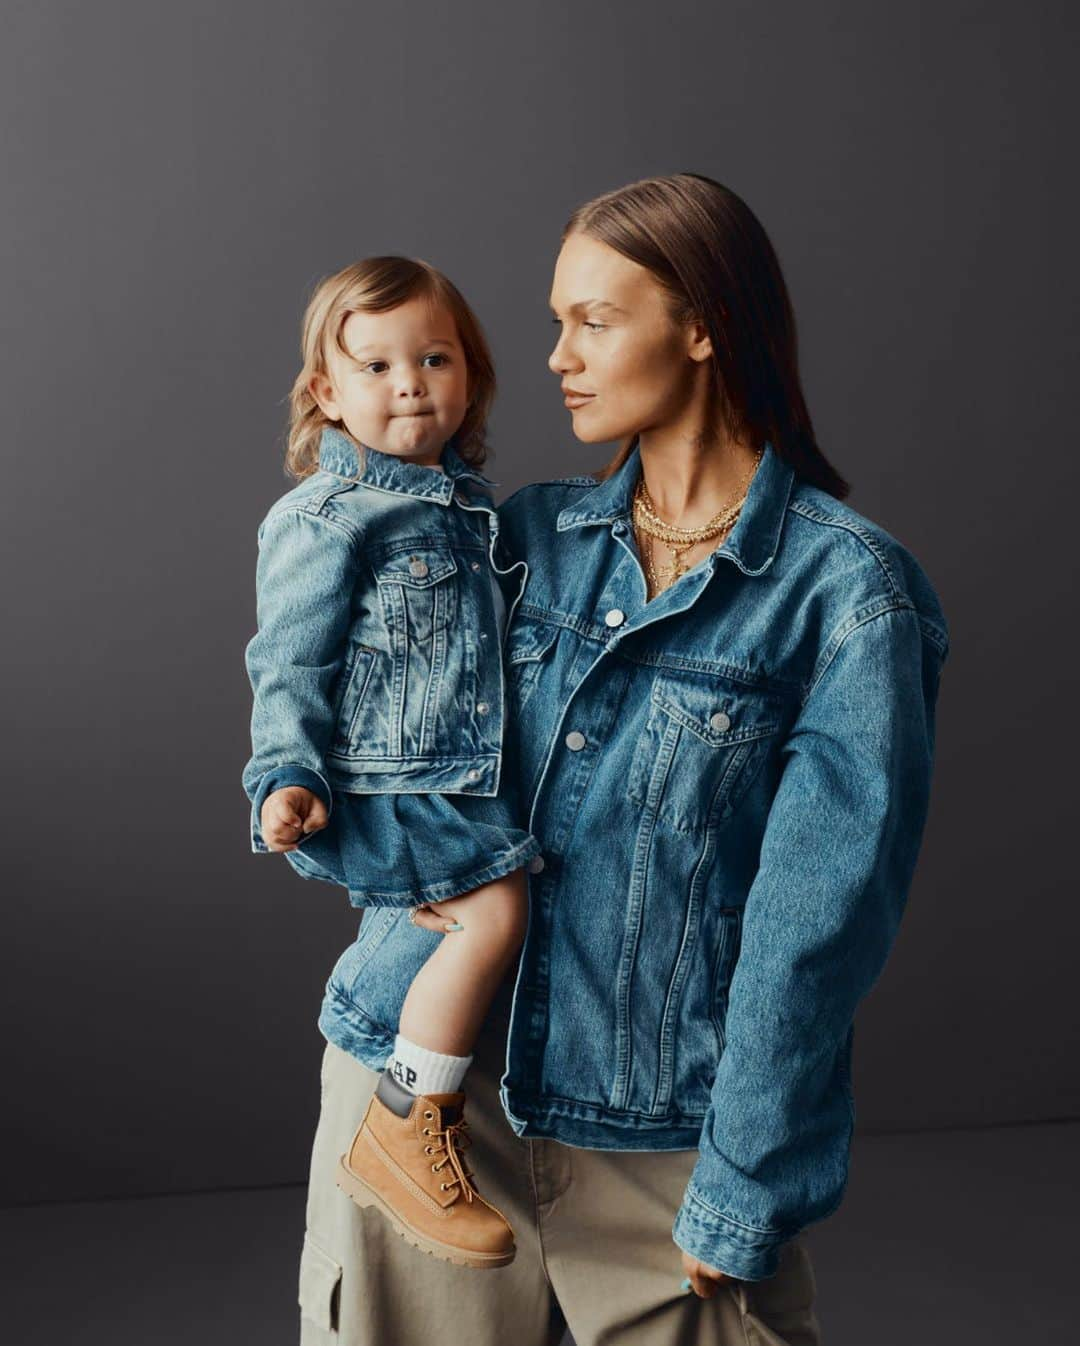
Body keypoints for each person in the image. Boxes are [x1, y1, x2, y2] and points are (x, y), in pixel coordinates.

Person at [296, 174, 949, 1346]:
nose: (555, 355)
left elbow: (818, 928)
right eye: (555, 322)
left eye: (594, 321)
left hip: (661, 1133)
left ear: (701, 326)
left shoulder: (849, 598)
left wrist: (747, 1178)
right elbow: (352, 704)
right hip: (425, 1104)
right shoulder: (511, 540)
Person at [242, 256, 546, 1269]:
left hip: (453, 777)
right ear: (326, 391)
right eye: (374, 364)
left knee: (486, 912)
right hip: (380, 784)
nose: (408, 381)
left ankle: (404, 1081)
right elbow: (288, 660)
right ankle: (407, 1120)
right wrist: (285, 774)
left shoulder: (469, 510)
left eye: (433, 357)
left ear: (470, 377)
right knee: (493, 910)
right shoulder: (324, 515)